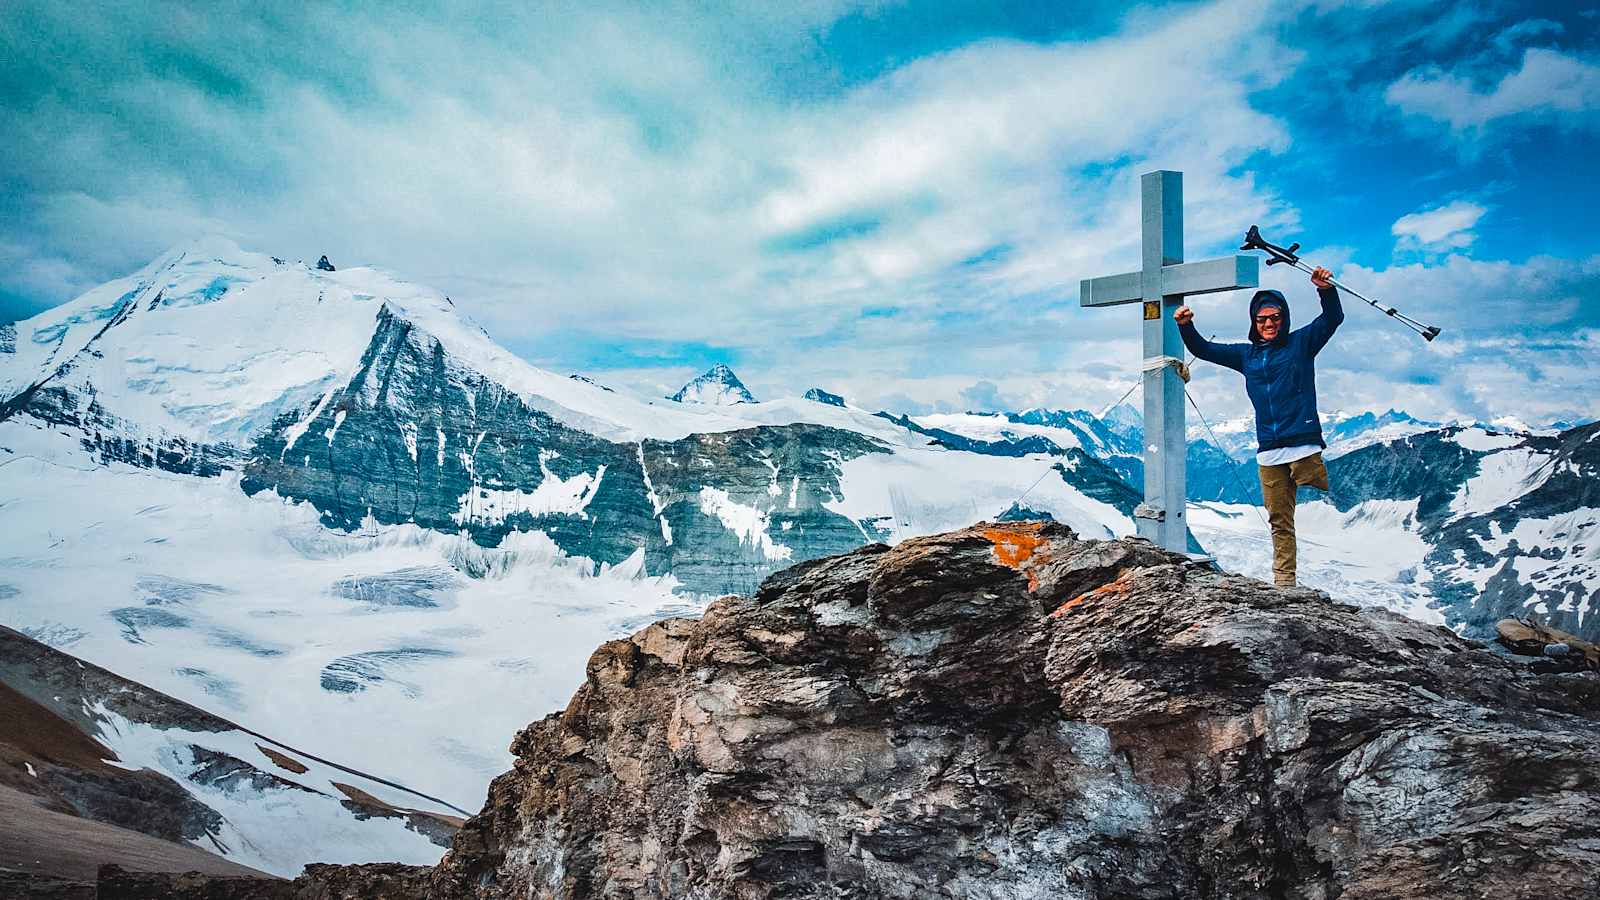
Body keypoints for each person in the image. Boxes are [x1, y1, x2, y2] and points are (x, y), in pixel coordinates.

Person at [1173, 267, 1343, 587]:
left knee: (1331, 499)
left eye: (1275, 317)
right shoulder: (1245, 355)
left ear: (1284, 318)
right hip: (1269, 450)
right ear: (1254, 322)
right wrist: (1186, 325)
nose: (1269, 324)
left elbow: (1332, 319)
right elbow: (1203, 350)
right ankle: (1285, 582)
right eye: (1262, 319)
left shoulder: (1301, 344)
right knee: (1279, 520)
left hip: (1303, 442)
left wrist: (1325, 290)